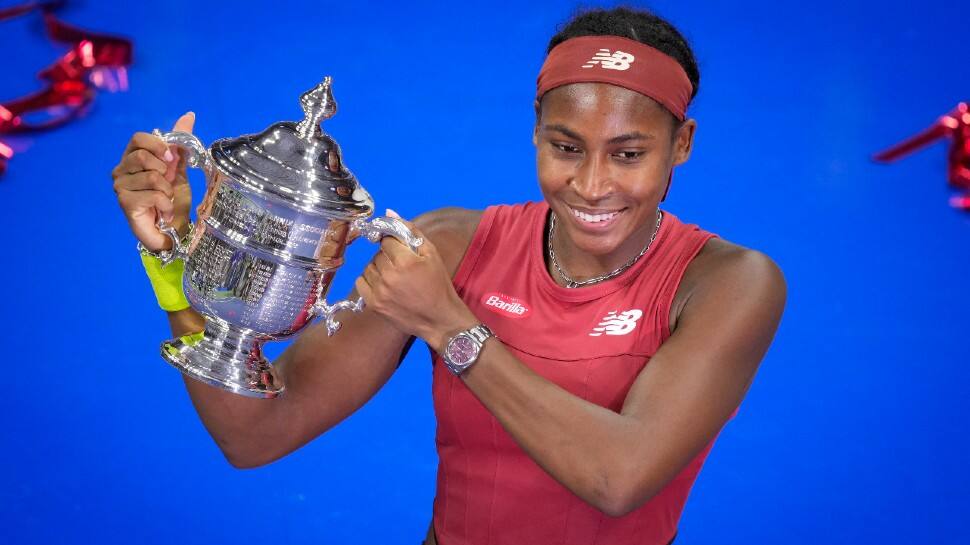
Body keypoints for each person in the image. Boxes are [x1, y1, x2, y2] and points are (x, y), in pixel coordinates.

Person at [111, 6, 785, 545]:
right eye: (566, 147)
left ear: (683, 145)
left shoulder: (730, 282)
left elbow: (619, 476)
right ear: (536, 132)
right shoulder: (449, 248)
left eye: (629, 153)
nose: (591, 183)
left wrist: (451, 325)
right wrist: (174, 259)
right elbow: (254, 432)